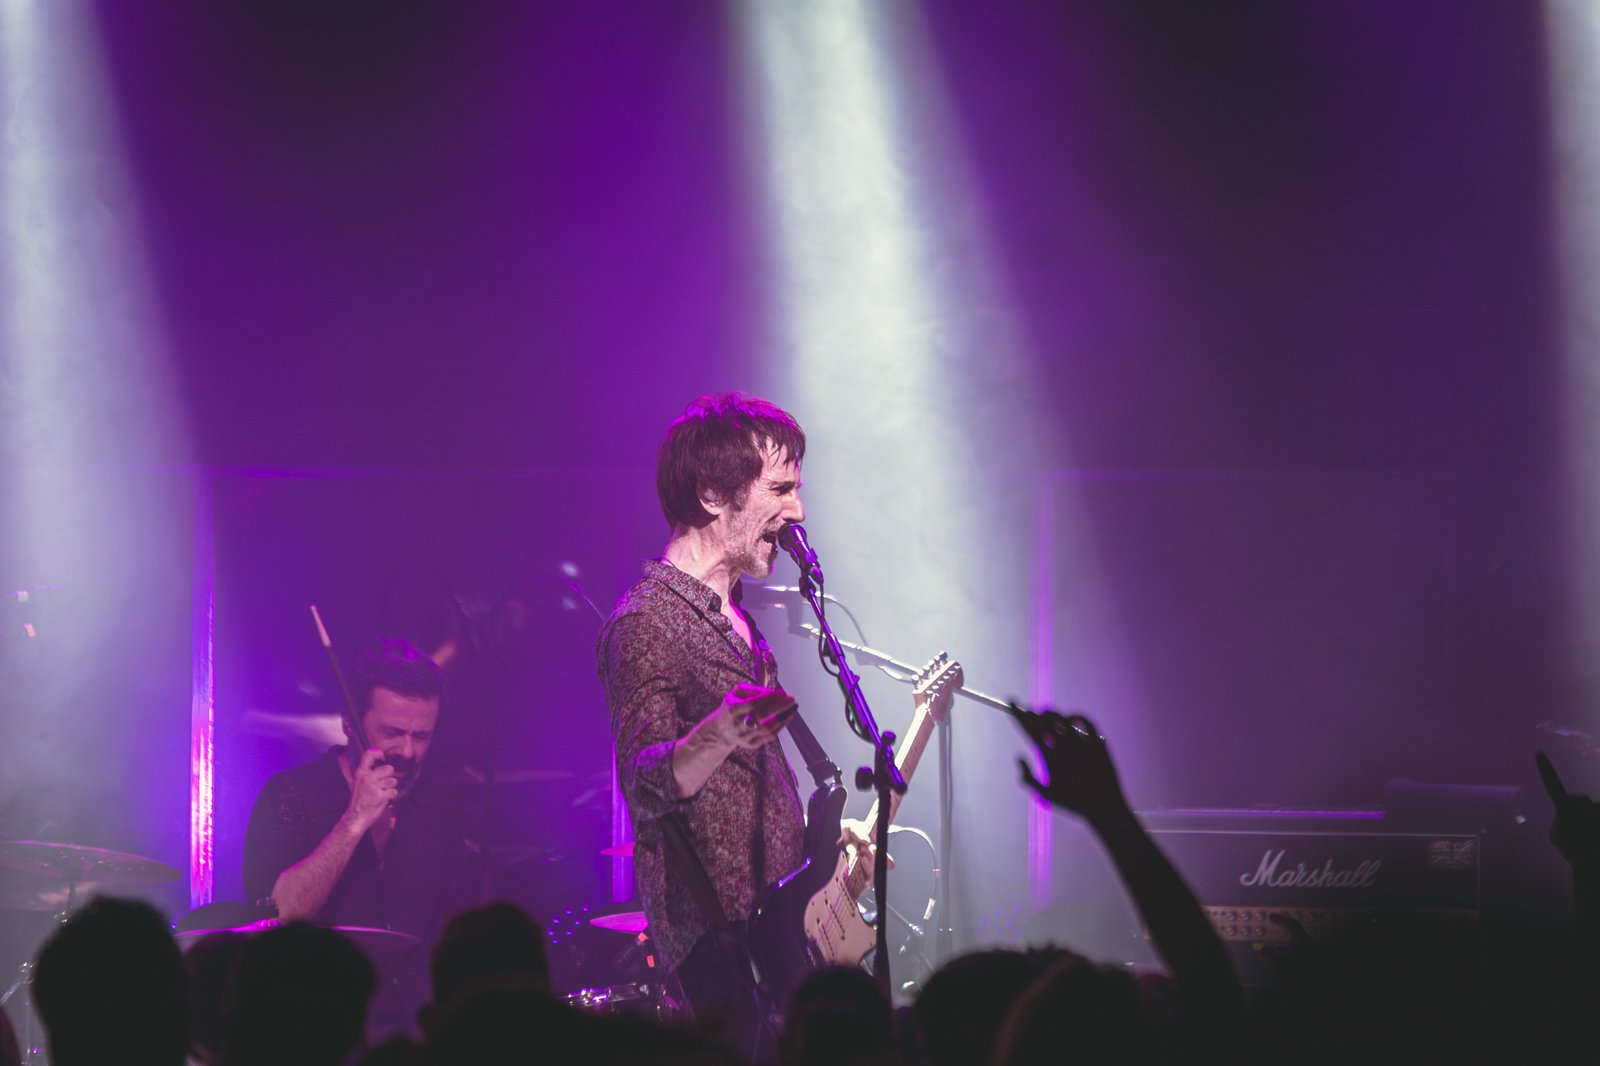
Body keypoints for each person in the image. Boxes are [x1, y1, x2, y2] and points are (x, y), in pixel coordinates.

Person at [598, 391, 814, 1059]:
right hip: (718, 944)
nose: (798, 511)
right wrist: (719, 733)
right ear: (714, 494)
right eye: (780, 489)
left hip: (776, 936)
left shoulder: (741, 621)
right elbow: (644, 782)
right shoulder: (648, 621)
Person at [242, 636, 478, 1026]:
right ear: (349, 724)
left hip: (418, 1031)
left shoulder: (440, 806)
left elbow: (461, 932)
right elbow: (278, 915)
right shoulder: (291, 796)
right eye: (392, 732)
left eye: (421, 736)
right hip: (315, 1024)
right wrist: (355, 820)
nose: (407, 751)